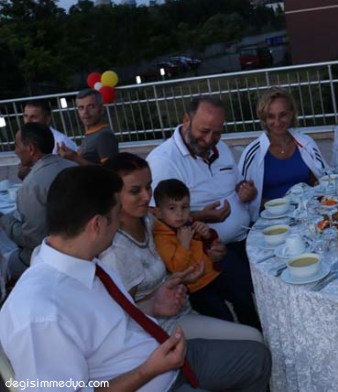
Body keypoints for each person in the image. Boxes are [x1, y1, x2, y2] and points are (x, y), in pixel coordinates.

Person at [0, 165, 271, 391]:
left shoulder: (84, 260)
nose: (121, 223)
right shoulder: (40, 314)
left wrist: (153, 304)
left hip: (162, 355)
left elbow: (113, 321)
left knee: (258, 358)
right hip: (152, 376)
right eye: (116, 215)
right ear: (97, 225)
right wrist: (147, 371)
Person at [99, 153, 262, 336]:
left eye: (149, 186)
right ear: (112, 195)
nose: (146, 196)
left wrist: (210, 244)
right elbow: (123, 318)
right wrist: (160, 298)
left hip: (184, 308)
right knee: (250, 337)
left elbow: (176, 223)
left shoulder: (148, 221)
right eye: (135, 191)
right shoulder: (116, 252)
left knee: (242, 293)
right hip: (160, 331)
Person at [147, 96, 253, 244]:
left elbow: (237, 183)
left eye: (217, 133)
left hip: (247, 236)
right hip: (205, 250)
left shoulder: (221, 147)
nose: (209, 139)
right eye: (204, 130)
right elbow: (155, 217)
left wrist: (246, 192)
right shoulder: (163, 161)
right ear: (186, 120)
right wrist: (200, 216)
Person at [153, 178, 257, 325]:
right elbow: (176, 268)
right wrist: (184, 245)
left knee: (243, 296)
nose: (179, 214)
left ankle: (255, 332)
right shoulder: (162, 238)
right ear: (158, 212)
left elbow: (210, 244)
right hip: (197, 288)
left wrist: (208, 235)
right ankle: (236, 336)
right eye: (172, 208)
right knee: (223, 320)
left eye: (184, 207)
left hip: (214, 274)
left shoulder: (187, 224)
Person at [238, 87, 328, 221]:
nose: (277, 122)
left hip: (306, 216)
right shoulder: (253, 152)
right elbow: (242, 199)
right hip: (270, 221)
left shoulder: (306, 144)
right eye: (271, 116)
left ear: (292, 113)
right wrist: (251, 197)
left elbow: (323, 180)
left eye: (283, 115)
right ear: (263, 118)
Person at [0, 123, 76, 279]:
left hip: (50, 259)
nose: (15, 151)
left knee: (6, 260)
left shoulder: (32, 184)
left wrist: (4, 220)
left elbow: (33, 239)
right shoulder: (75, 167)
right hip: (81, 247)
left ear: (31, 149)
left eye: (17, 146)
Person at [17, 99, 77, 180]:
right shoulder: (28, 140)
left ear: (47, 119)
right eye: (25, 116)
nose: (28, 121)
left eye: (33, 117)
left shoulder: (61, 142)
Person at [57, 88, 119, 165]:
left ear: (102, 109)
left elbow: (110, 170)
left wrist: (75, 158)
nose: (85, 112)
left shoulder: (105, 135)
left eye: (91, 107)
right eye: (81, 108)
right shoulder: (91, 133)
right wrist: (71, 156)